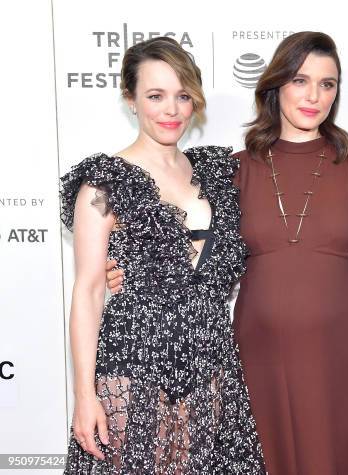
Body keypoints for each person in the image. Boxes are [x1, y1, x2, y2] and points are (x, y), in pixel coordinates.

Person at [107, 31, 348, 475]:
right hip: (254, 364)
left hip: (338, 367)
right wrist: (128, 270)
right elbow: (190, 252)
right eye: (300, 80)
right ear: (275, 86)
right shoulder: (231, 172)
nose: (314, 96)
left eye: (327, 84)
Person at [60, 36, 264, 474]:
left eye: (183, 95)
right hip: (132, 364)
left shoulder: (217, 173)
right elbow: (90, 290)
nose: (171, 110)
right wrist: (84, 394)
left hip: (211, 362)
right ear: (130, 99)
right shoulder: (103, 185)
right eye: (155, 95)